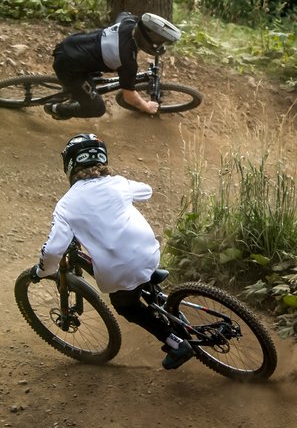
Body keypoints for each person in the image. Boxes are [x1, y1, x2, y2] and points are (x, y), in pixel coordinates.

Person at [31, 134, 193, 369]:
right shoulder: (118, 183)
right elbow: (146, 191)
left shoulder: (66, 205)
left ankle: (176, 343)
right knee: (136, 274)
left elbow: (54, 249)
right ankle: (156, 297)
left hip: (122, 269)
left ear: (70, 164)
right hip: (150, 253)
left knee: (126, 306)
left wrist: (43, 271)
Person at [48, 11, 183, 119]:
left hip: (73, 44)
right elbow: (129, 97)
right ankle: (55, 108)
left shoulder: (129, 22)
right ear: (149, 41)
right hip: (68, 66)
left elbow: (123, 14)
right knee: (97, 109)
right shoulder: (127, 61)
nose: (161, 46)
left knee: (96, 72)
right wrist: (147, 107)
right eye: (160, 42)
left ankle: (79, 89)